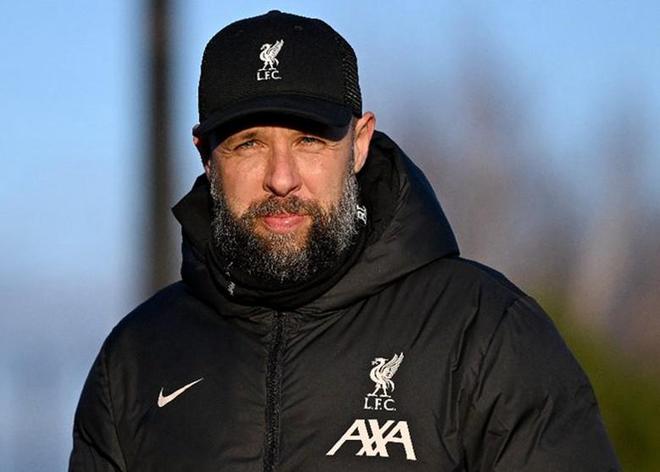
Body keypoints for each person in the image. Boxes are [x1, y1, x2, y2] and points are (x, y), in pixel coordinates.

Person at [69, 10, 620, 471]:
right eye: (249, 144)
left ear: (359, 144)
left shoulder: (484, 332)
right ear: (206, 157)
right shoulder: (135, 363)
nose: (281, 178)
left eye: (309, 140)